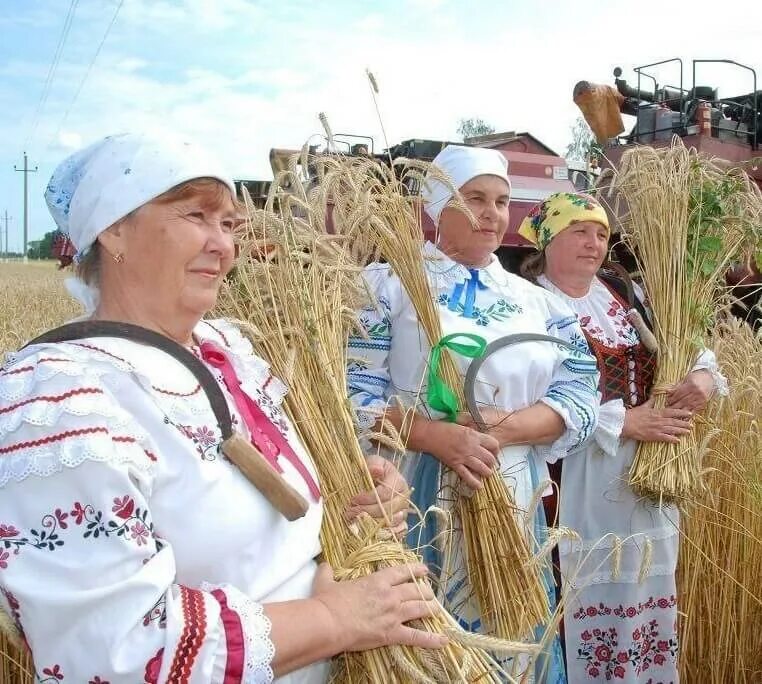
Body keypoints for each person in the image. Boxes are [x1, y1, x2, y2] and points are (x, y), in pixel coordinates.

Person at [0, 133, 447, 683]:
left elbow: (257, 524)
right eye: (197, 216)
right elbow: (115, 651)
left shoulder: (225, 353)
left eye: (230, 225)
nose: (223, 245)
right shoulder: (64, 400)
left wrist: (351, 499)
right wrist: (335, 618)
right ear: (113, 228)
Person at [346, 145, 601, 681]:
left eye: (502, 201)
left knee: (512, 633)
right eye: (475, 198)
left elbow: (580, 393)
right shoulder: (387, 286)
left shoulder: (539, 302)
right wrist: (436, 437)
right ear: (439, 203)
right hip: (415, 491)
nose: (491, 213)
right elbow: (352, 391)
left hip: (511, 490)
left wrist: (498, 432)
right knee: (430, 639)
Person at [519, 191, 727, 683]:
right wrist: (626, 422)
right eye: (579, 231)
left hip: (647, 480)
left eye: (601, 234)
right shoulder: (530, 303)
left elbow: (683, 346)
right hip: (574, 474)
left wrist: (701, 377)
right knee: (576, 588)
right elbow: (530, 394)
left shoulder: (622, 295)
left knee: (642, 590)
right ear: (548, 239)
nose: (593, 243)